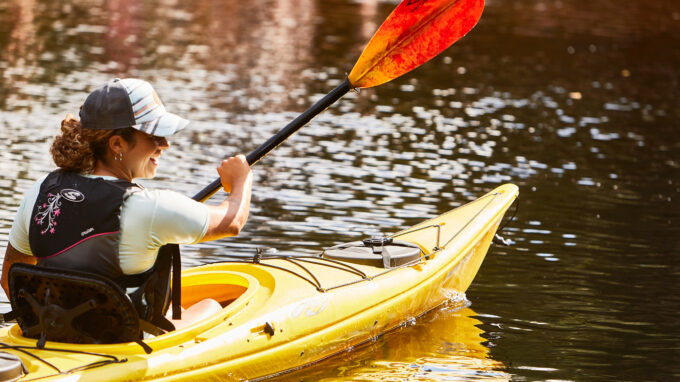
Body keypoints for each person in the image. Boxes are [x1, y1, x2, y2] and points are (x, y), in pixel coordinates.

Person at [0, 78, 253, 333]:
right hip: (125, 346)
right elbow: (232, 221)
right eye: (155, 135)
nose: (165, 144)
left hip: (48, 336)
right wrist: (241, 178)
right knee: (211, 306)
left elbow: (11, 279)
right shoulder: (149, 207)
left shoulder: (42, 188)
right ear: (117, 144)